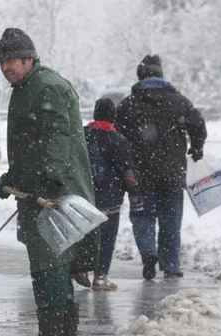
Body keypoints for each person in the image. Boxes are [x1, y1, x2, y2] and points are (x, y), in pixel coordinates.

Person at [0, 28, 98, 336]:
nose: (5, 67)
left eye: (11, 60)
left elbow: (57, 141)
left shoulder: (48, 87)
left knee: (49, 271)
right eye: (1, 62)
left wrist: (46, 180)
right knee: (52, 273)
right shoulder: (28, 88)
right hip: (39, 196)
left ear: (29, 58)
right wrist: (11, 179)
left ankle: (55, 332)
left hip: (55, 198)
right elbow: (29, 147)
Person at [116, 55, 207, 280]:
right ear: (161, 75)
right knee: (170, 221)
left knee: (143, 217)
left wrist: (125, 166)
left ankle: (148, 253)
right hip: (173, 173)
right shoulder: (178, 101)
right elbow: (198, 125)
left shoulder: (128, 104)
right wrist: (196, 147)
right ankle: (171, 265)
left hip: (141, 175)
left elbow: (118, 139)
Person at [84, 98, 143, 291]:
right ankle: (100, 277)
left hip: (84, 196)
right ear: (113, 116)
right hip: (109, 199)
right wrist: (135, 195)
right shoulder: (118, 140)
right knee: (106, 238)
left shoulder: (82, 135)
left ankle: (79, 269)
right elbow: (127, 171)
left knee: (84, 234)